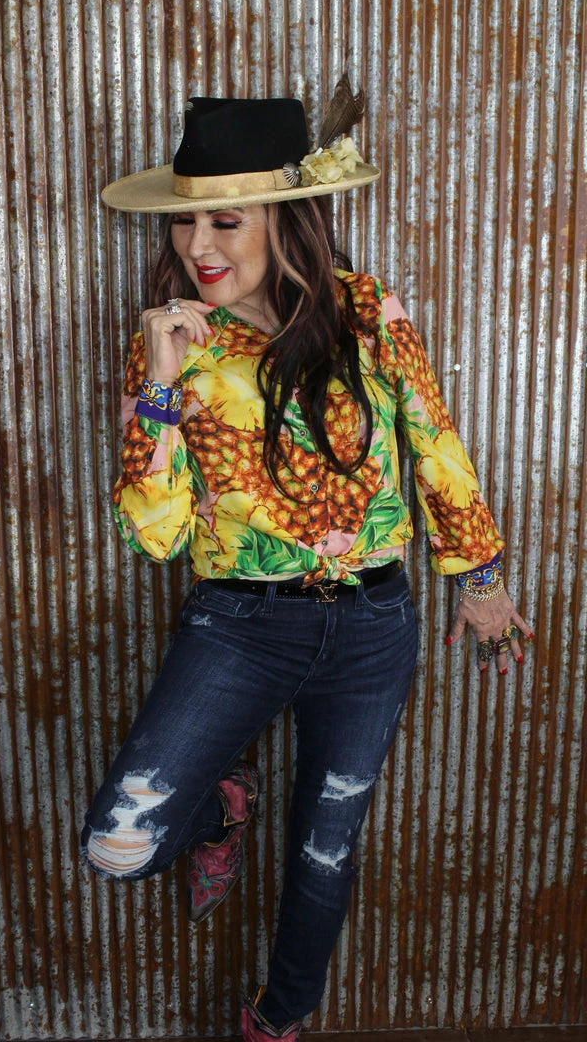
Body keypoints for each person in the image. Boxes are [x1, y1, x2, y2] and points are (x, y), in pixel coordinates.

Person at [81, 93, 531, 1040]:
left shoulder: (368, 311)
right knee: (119, 847)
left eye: (226, 220)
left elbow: (435, 441)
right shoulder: (172, 342)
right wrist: (158, 390)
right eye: (187, 221)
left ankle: (277, 1022)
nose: (198, 244)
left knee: (328, 853)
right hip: (239, 627)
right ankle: (219, 808)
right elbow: (153, 538)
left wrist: (480, 580)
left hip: (373, 628)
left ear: (288, 223)